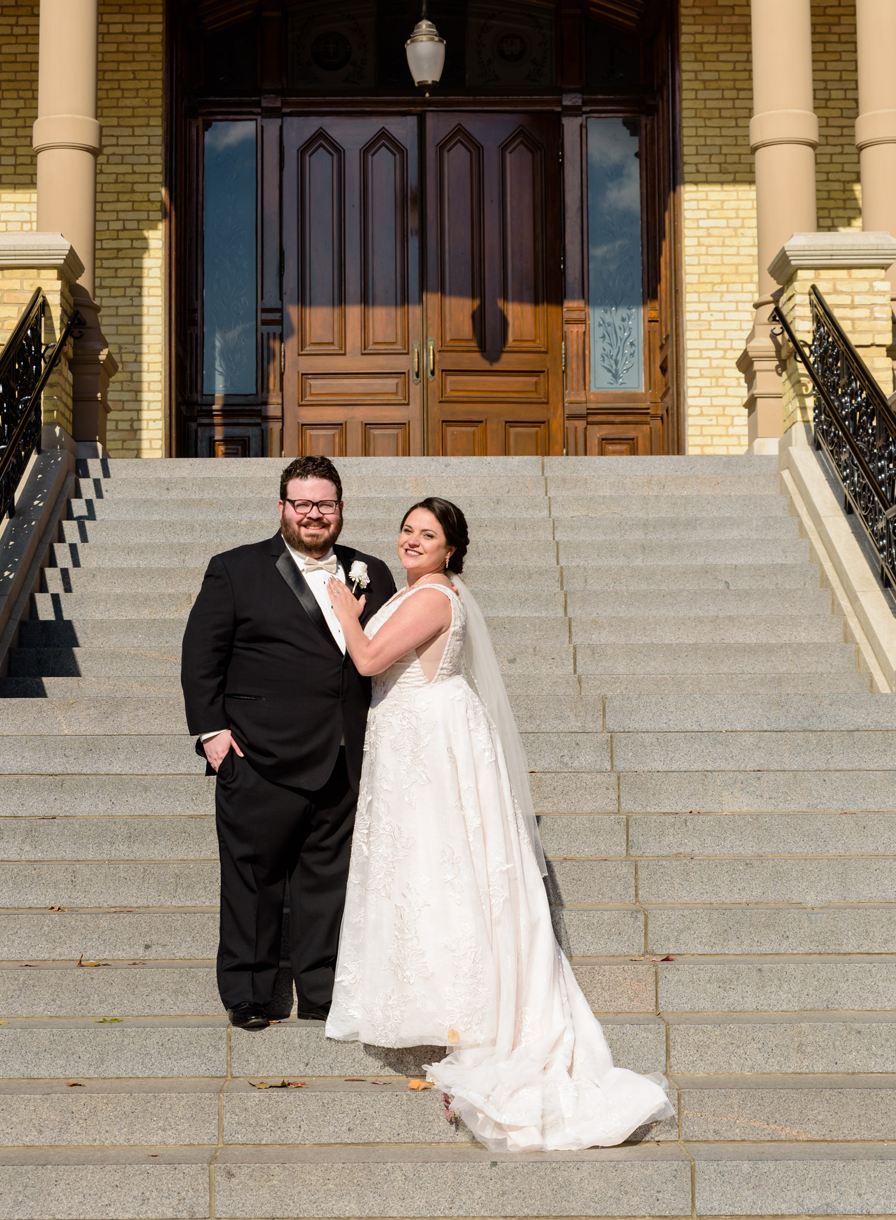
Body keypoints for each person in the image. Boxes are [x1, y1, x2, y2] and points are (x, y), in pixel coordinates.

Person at [322, 497, 674, 1153]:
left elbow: (369, 662)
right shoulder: (412, 592)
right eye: (406, 530)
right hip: (410, 738)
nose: (411, 540)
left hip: (431, 739)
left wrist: (346, 612)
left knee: (440, 866)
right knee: (421, 867)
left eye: (426, 534)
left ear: (452, 548)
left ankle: (461, 1003)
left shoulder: (434, 598)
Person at [178, 456, 398, 1031]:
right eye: (301, 504)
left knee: (327, 880)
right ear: (281, 508)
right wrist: (212, 734)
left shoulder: (370, 570)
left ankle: (323, 993)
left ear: (341, 509)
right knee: (253, 880)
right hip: (257, 755)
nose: (313, 515)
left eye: (324, 504)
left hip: (342, 756)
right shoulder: (234, 569)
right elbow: (202, 656)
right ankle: (248, 994)